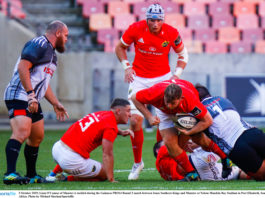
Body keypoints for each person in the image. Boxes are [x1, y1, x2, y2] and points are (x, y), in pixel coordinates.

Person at [115, 3, 189, 180]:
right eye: (152, 20)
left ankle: (164, 157)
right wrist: (127, 67)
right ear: (146, 19)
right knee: (134, 121)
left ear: (163, 20)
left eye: (158, 20)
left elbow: (183, 55)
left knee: (166, 120)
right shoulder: (135, 29)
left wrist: (176, 76)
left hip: (162, 79)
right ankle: (137, 163)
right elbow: (120, 47)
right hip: (139, 78)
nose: (155, 23)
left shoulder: (171, 32)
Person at [3, 20, 69, 185]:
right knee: (22, 132)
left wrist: (55, 103)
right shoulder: (38, 43)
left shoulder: (53, 55)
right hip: (19, 95)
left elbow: (43, 84)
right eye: (66, 35)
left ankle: (32, 175)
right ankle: (10, 174)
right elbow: (23, 67)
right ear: (58, 33)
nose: (67, 39)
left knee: (37, 136)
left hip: (31, 98)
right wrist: (31, 95)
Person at [131, 79, 232, 181]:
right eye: (167, 102)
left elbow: (207, 121)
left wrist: (189, 132)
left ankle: (225, 158)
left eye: (173, 103)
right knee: (170, 145)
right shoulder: (155, 93)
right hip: (163, 113)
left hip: (186, 111)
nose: (169, 106)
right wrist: (149, 117)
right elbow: (134, 98)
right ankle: (192, 175)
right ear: (164, 96)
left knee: (198, 139)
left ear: (181, 98)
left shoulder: (190, 100)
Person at [46, 98, 132, 183]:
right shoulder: (111, 126)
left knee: (74, 147)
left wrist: (119, 131)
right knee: (105, 173)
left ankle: (52, 175)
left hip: (57, 148)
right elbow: (107, 154)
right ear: (118, 111)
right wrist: (111, 179)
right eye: (128, 111)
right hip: (70, 159)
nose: (130, 114)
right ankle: (65, 179)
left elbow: (104, 126)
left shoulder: (102, 114)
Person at [193, 84, 265, 181]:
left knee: (261, 176)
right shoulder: (222, 99)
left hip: (236, 147)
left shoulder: (198, 113)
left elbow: (204, 142)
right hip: (252, 133)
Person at [153, 141, 249, 181]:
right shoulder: (162, 150)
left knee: (238, 173)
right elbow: (176, 144)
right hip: (195, 161)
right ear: (158, 150)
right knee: (220, 142)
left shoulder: (162, 171)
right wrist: (195, 144)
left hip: (205, 176)